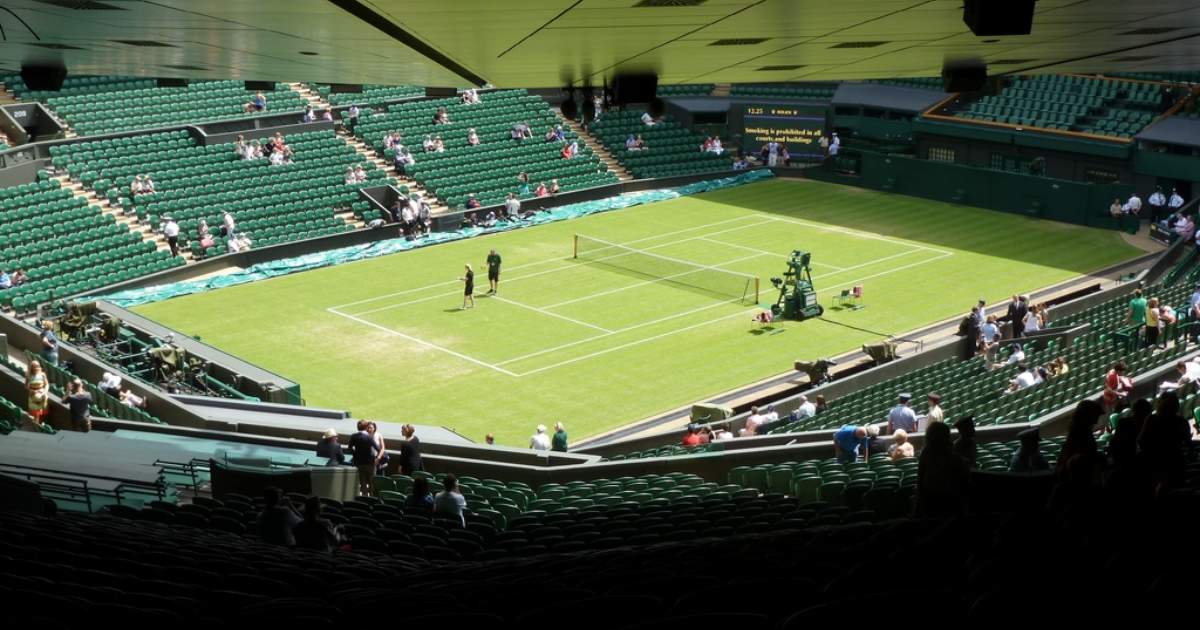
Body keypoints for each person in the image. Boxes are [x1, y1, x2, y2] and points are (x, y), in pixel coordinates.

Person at [915, 421, 969, 517]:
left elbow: (920, 480)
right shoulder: (955, 458)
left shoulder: (926, 453)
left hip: (930, 501)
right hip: (950, 502)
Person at [348, 420, 377, 496]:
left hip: (359, 462)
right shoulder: (369, 437)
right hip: (370, 463)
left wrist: (355, 455)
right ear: (366, 427)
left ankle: (364, 497)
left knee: (362, 482)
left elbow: (349, 448)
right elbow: (378, 448)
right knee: (372, 482)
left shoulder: (354, 436)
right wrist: (377, 458)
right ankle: (372, 497)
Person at [26, 360, 48, 426]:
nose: (36, 368)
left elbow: (47, 384)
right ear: (32, 367)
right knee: (36, 411)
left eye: (38, 366)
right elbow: (26, 386)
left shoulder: (43, 374)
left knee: (42, 410)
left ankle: (38, 423)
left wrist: (44, 391)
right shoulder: (28, 375)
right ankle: (36, 423)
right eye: (35, 366)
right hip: (33, 393)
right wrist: (32, 391)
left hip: (41, 392)